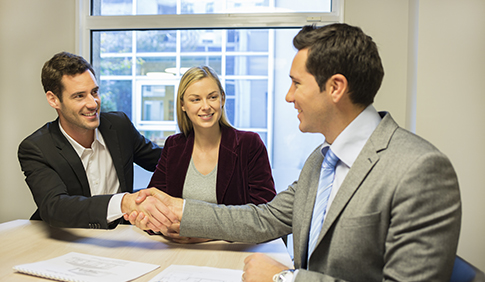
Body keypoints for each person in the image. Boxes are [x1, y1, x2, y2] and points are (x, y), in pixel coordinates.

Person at [126, 23, 462, 281]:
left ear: (335, 87)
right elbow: (265, 217)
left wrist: (283, 279)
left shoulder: (419, 169)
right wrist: (178, 209)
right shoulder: (321, 160)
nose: (288, 96)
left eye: (296, 83)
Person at [18, 52, 162, 229]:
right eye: (79, 96)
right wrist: (123, 203)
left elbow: (165, 163)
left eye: (94, 92)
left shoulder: (119, 126)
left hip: (120, 236)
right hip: (65, 240)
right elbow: (55, 207)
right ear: (53, 99)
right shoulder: (37, 148)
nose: (93, 103)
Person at [146, 66, 276, 243]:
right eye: (196, 99)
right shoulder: (174, 146)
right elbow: (153, 205)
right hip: (179, 252)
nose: (205, 106)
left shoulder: (249, 144)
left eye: (212, 97)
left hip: (234, 252)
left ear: (222, 98)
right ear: (183, 105)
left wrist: (202, 234)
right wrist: (164, 229)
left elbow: (266, 215)